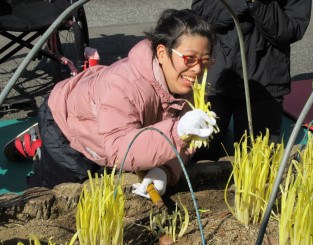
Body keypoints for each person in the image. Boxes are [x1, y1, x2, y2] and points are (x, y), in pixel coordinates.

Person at [26, 8, 217, 199]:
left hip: (104, 133)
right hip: (66, 125)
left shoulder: (193, 89)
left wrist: (166, 170)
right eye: (189, 58)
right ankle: (33, 147)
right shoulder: (123, 84)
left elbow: (189, 140)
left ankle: (32, 144)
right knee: (66, 188)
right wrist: (178, 132)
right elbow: (119, 149)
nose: (198, 68)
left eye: (205, 60)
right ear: (162, 53)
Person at [191, 0, 312, 161]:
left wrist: (258, 4)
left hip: (266, 82)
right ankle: (223, 138)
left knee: (257, 163)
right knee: (198, 153)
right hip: (218, 76)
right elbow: (201, 12)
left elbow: (292, 29)